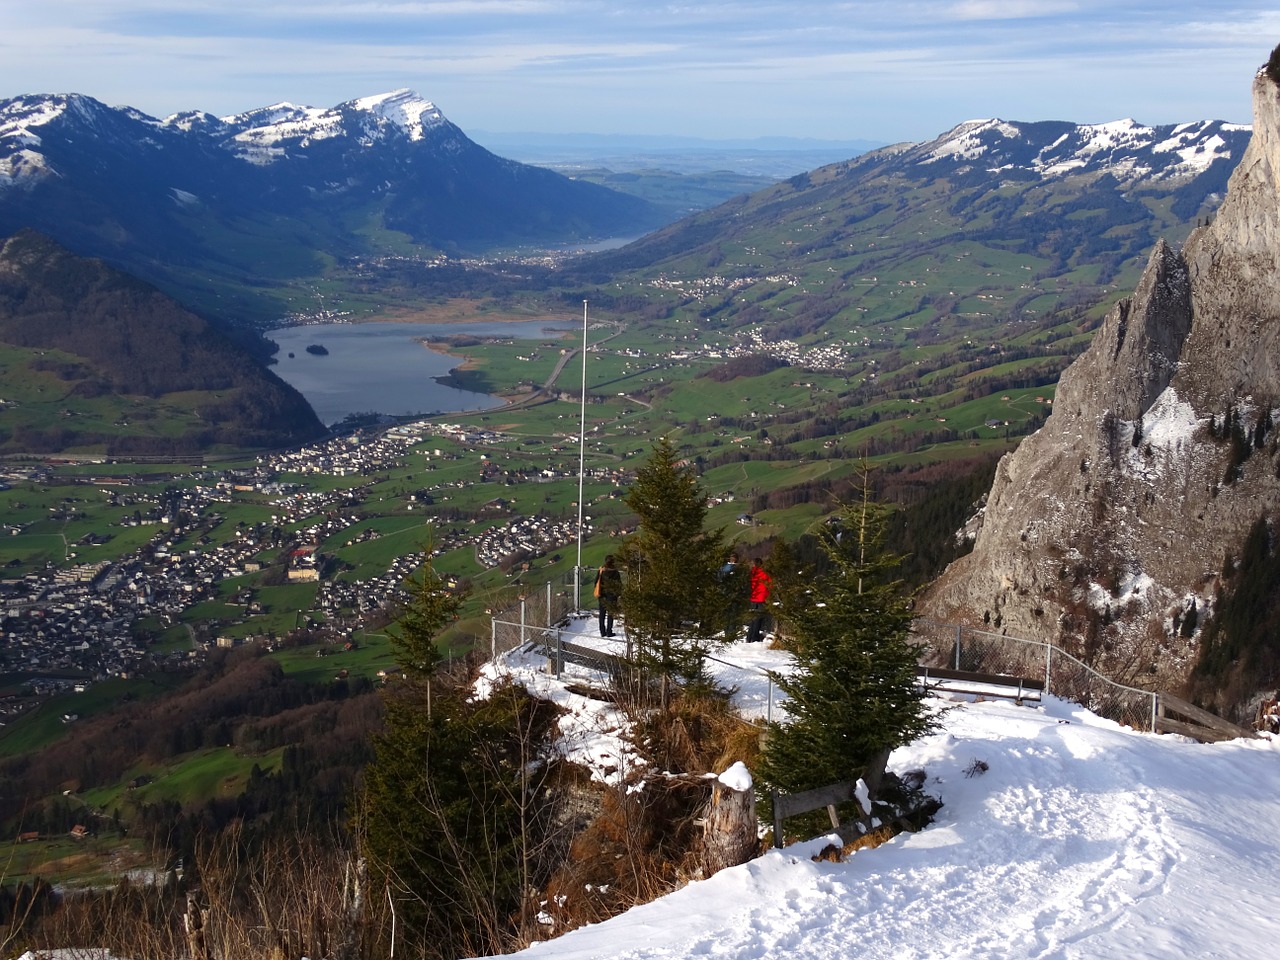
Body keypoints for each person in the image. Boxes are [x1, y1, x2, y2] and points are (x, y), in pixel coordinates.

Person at [745, 556, 772, 643]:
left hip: (753, 597)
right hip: (762, 598)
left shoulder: (752, 573)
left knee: (752, 618)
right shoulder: (765, 573)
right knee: (758, 618)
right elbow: (771, 585)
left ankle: (749, 636)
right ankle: (755, 637)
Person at [594, 555, 623, 637]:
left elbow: (596, 582)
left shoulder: (601, 570)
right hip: (612, 595)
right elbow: (619, 585)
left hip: (602, 594)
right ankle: (609, 631)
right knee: (610, 614)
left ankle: (602, 631)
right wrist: (618, 594)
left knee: (602, 614)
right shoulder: (615, 572)